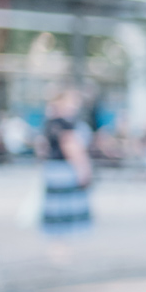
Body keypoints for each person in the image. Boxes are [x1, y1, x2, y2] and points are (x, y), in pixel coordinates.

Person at [40, 86, 93, 236]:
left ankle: (57, 247)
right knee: (65, 214)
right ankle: (62, 250)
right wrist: (84, 170)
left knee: (55, 211)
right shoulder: (65, 124)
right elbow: (71, 148)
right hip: (65, 170)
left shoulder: (50, 123)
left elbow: (42, 148)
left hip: (53, 168)